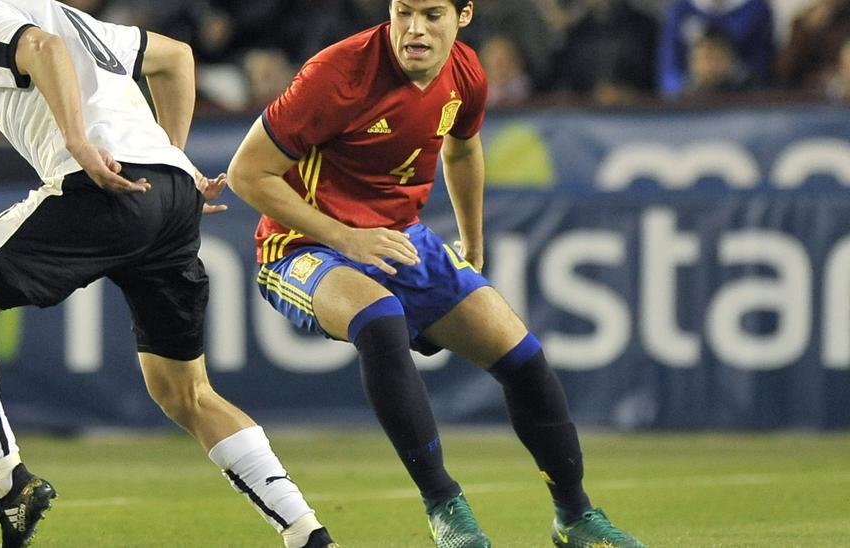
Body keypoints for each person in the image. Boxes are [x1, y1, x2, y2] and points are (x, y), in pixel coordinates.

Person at [0, 1, 338, 547]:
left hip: (98, 185)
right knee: (187, 393)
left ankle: (10, 487)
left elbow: (41, 49)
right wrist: (171, 157)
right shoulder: (65, 13)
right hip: (173, 194)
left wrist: (78, 142)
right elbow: (177, 58)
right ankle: (307, 534)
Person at [225, 1, 645, 547]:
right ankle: (445, 507)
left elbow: (463, 149)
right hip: (304, 246)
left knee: (524, 360)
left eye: (431, 14)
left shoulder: (466, 72)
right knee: (380, 319)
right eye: (403, 12)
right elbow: (245, 173)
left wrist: (472, 239)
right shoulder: (336, 73)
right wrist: (346, 236)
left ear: (464, 15)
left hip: (402, 238)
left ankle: (576, 518)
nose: (415, 29)